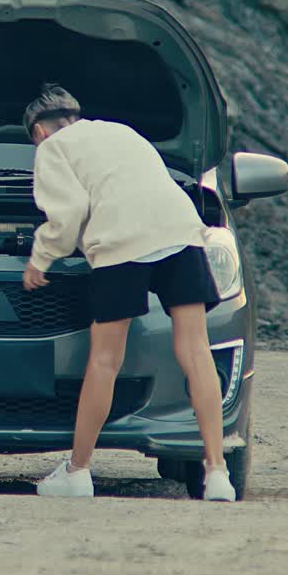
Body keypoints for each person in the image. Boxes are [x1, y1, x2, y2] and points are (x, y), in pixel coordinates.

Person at [20, 84, 236, 502]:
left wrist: (40, 259)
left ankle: (78, 473)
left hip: (120, 243)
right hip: (180, 233)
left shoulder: (53, 149)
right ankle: (217, 474)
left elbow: (68, 214)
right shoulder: (123, 131)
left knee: (105, 360)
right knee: (196, 352)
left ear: (40, 132)